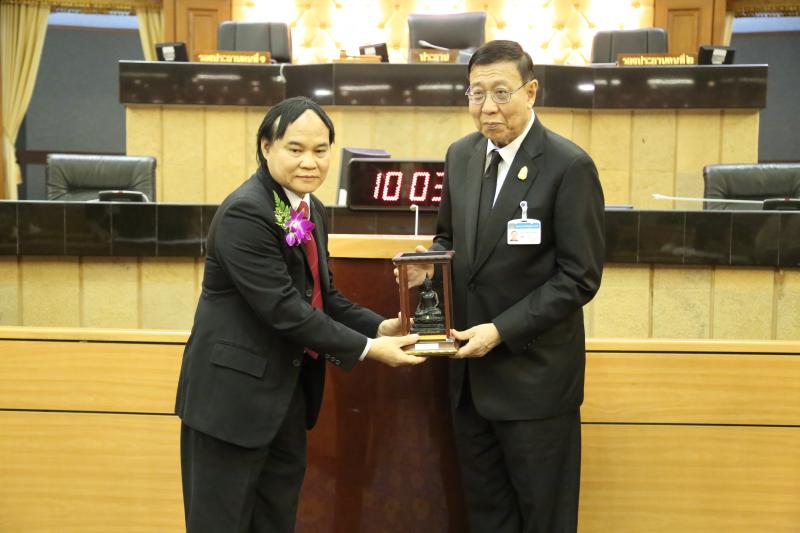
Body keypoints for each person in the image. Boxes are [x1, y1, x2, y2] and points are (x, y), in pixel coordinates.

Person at [175, 96, 424, 533]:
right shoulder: (246, 212)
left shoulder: (309, 209)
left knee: (276, 521)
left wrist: (381, 326)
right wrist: (369, 349)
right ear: (266, 146)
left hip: (284, 399)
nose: (310, 162)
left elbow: (323, 297)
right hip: (231, 404)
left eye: (321, 150)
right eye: (296, 149)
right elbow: (285, 310)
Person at [400, 40, 605, 532]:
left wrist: (501, 330)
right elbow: (448, 239)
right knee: (488, 517)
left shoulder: (568, 166)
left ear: (530, 92)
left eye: (500, 92)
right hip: (469, 381)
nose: (487, 107)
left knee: (543, 518)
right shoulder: (461, 155)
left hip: (534, 382)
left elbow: (579, 276)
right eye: (476, 93)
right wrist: (427, 267)